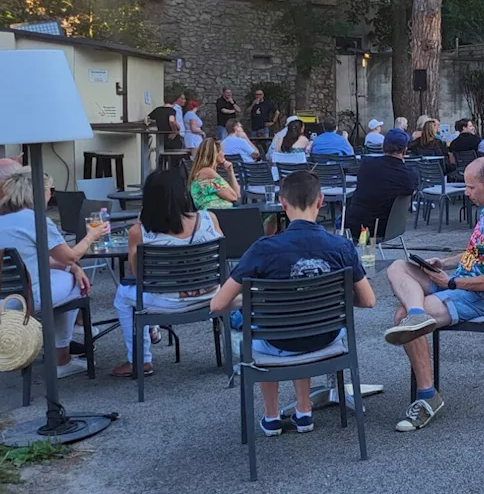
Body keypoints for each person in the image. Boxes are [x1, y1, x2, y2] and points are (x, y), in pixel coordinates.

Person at [210, 171, 376, 436]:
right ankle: (303, 411)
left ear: (282, 204)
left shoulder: (263, 248)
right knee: (302, 319)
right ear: (320, 201)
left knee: (257, 327)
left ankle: (272, 415)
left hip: (278, 342)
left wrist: (253, 300)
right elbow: (368, 300)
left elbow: (217, 305)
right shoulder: (341, 246)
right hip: (325, 338)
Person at [382, 157, 484, 432]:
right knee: (397, 267)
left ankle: (428, 397)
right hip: (459, 281)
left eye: (470, 187)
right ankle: (418, 315)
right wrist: (446, 263)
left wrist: (450, 283)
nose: (466, 192)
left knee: (400, 317)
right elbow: (475, 254)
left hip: (479, 299)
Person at [109, 169, 224, 377]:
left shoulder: (140, 231)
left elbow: (137, 274)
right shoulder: (209, 219)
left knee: (123, 296)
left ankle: (140, 360)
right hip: (210, 295)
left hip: (168, 300)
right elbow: (221, 257)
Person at [0, 168, 106, 377]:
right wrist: (91, 236)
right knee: (76, 282)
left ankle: (71, 336)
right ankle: (62, 357)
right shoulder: (35, 220)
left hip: (4, 297)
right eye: (50, 189)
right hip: (28, 298)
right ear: (39, 191)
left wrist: (72, 267)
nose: (52, 194)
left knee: (70, 274)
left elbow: (35, 260)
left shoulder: (4, 219)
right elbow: (70, 256)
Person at [345, 129, 418, 238]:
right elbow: (412, 192)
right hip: (383, 228)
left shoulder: (366, 164)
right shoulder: (409, 175)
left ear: (383, 147)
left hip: (354, 225)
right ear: (405, 149)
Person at [189, 139, 241, 210]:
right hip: (217, 214)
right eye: (222, 151)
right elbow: (234, 197)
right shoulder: (208, 172)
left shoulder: (204, 173)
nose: (224, 154)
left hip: (218, 213)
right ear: (215, 153)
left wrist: (230, 172)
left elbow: (237, 195)